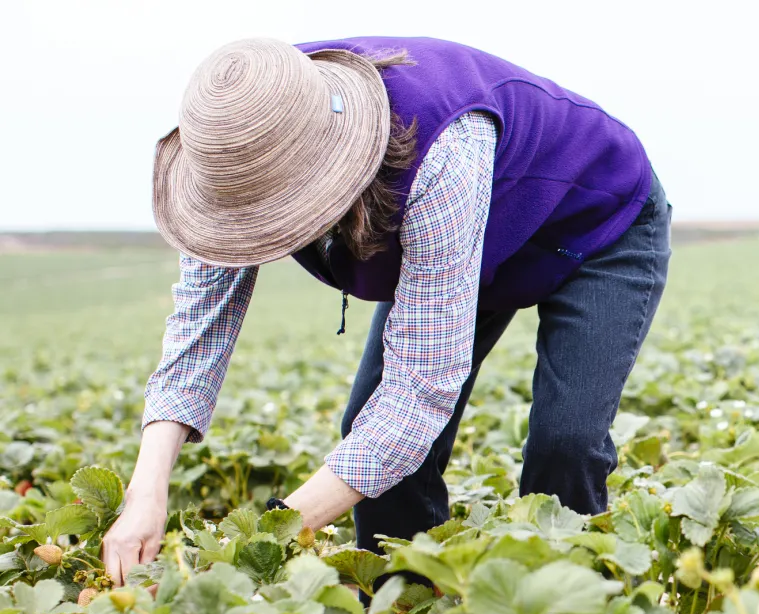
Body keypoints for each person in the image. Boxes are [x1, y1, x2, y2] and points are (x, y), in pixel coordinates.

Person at [102, 36, 671, 586]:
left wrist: (267, 539)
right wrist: (145, 494)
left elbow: (418, 392)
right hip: (470, 234)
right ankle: (402, 610)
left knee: (564, 441)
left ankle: (569, 610)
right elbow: (196, 339)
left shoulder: (438, 147)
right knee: (369, 438)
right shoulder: (236, 142)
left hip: (596, 224)